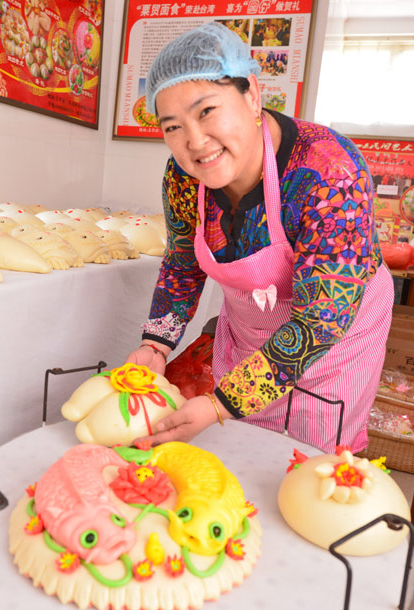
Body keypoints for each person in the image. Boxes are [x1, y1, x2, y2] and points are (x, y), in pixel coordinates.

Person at [126, 22, 393, 453]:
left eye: (206, 111)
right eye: (172, 127)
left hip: (335, 339)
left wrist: (219, 404)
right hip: (251, 330)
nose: (195, 142)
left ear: (251, 93)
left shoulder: (328, 170)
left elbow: (320, 321)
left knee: (308, 463)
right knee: (242, 454)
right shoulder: (182, 176)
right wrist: (155, 344)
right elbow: (182, 262)